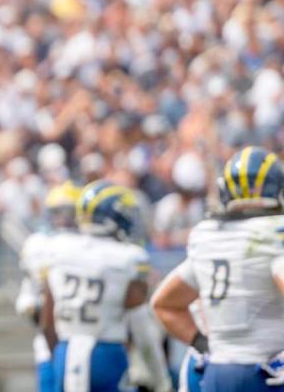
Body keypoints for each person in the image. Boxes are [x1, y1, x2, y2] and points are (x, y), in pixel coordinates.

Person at [152, 146, 284, 392]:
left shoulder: (209, 235)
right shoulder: (274, 232)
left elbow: (164, 304)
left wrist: (206, 345)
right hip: (265, 374)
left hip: (217, 372)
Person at [41, 180, 171, 392]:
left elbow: (47, 322)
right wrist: (161, 380)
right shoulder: (127, 257)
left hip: (65, 351)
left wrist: (60, 358)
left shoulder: (58, 250)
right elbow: (141, 329)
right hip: (106, 352)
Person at [15, 181, 81, 392]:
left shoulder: (90, 246)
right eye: (58, 212)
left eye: (70, 212)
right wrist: (31, 308)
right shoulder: (37, 245)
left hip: (82, 336)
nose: (64, 218)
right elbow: (27, 292)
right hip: (49, 339)